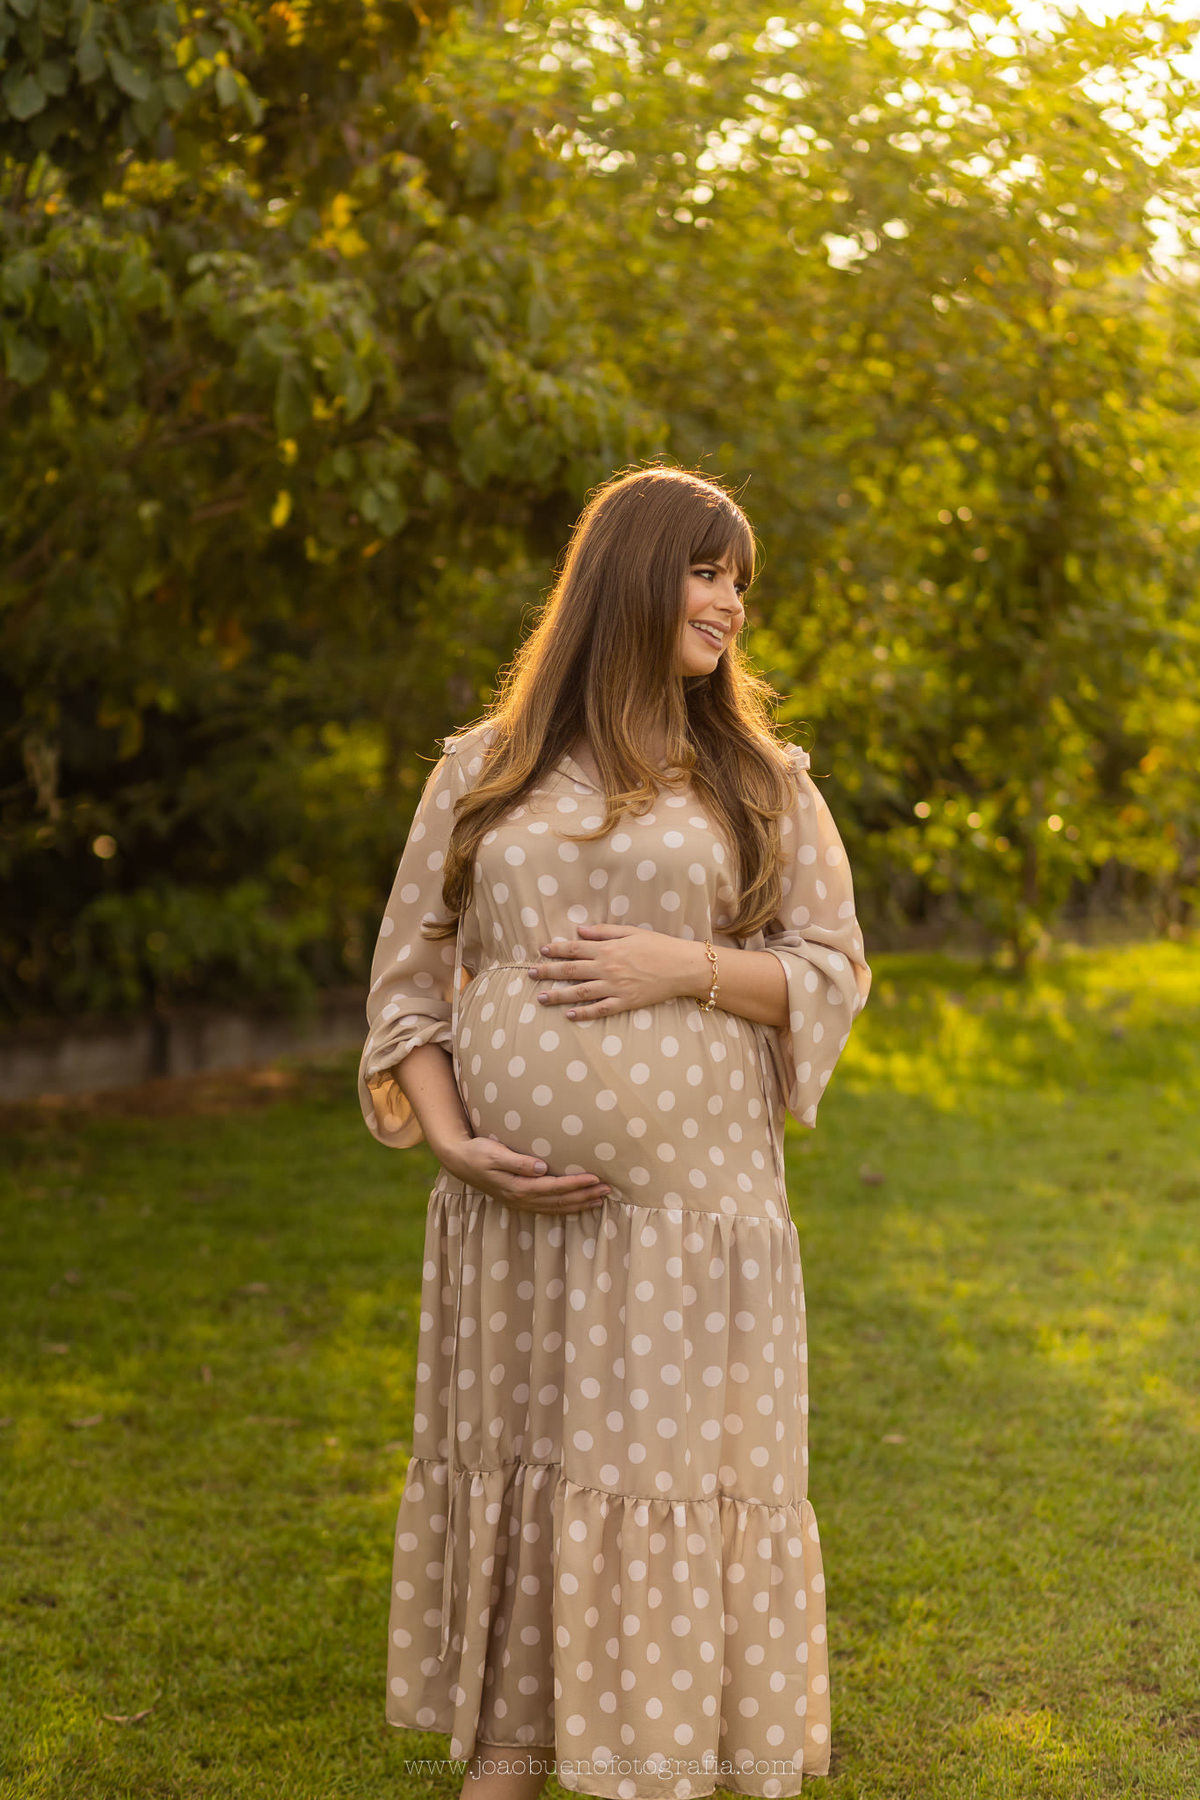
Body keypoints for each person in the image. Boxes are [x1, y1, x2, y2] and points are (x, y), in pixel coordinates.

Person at [357, 465, 871, 1800]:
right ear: (632, 577)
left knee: (661, 1493)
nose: (730, 606)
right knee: (535, 1485)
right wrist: (460, 1141)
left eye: (741, 583)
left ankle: (656, 1767)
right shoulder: (485, 770)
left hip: (690, 1233)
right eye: (708, 573)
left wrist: (678, 966)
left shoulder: (759, 778)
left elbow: (829, 972)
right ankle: (513, 1760)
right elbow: (409, 989)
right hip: (513, 1228)